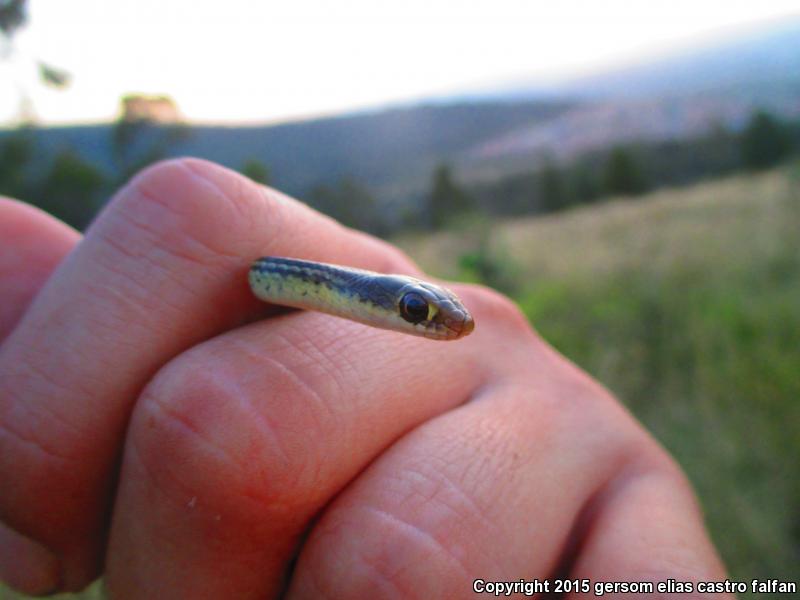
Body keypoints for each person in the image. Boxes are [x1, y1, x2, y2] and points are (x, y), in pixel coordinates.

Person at [0, 159, 730, 598]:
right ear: (372, 300)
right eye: (417, 313)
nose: (435, 326)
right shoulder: (293, 284)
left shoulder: (339, 298)